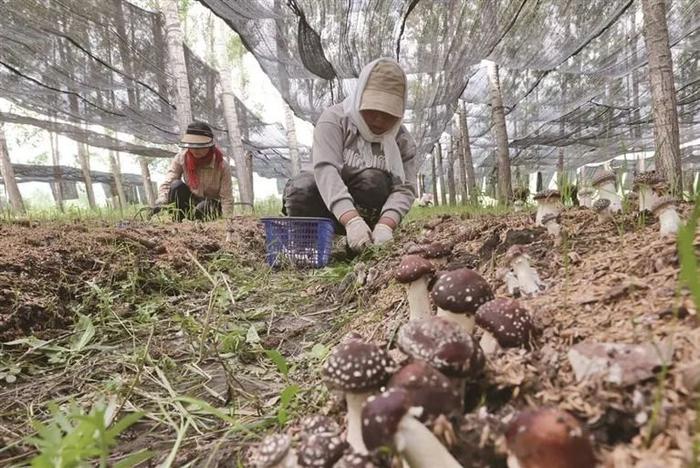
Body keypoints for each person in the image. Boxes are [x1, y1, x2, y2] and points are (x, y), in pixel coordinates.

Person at [282, 58, 417, 252]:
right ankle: (314, 241)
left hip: (363, 208)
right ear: (360, 97)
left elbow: (405, 188)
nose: (379, 120)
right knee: (301, 189)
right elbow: (326, 170)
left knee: (374, 181)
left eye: (388, 114)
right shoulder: (334, 120)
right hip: (323, 201)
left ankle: (362, 240)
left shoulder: (402, 140)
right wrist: (351, 220)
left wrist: (387, 224)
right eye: (372, 110)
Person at [155, 121, 234, 221]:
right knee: (176, 185)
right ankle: (178, 222)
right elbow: (169, 182)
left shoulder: (222, 165)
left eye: (200, 146)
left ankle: (198, 220)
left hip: (210, 205)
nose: (195, 150)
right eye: (191, 146)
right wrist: (161, 201)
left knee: (203, 207)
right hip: (190, 201)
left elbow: (226, 197)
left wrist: (226, 219)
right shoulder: (181, 158)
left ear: (210, 145)